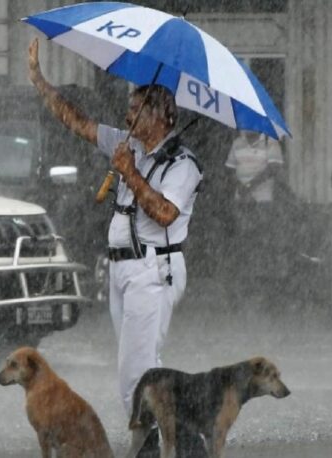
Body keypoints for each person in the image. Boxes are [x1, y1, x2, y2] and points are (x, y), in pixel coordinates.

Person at [28, 38, 204, 456]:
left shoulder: (183, 164)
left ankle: (152, 442)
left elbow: (164, 213)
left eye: (134, 109)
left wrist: (130, 173)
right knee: (140, 365)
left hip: (153, 270)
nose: (126, 116)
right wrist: (40, 81)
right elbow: (79, 122)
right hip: (123, 271)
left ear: (159, 115)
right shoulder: (129, 145)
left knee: (134, 370)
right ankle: (177, 436)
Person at [224, 130, 286, 298]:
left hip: (263, 201)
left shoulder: (270, 142)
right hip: (242, 201)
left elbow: (273, 169)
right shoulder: (237, 143)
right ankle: (247, 282)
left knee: (262, 241)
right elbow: (230, 170)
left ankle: (263, 283)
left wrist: (250, 185)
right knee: (244, 242)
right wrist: (241, 186)